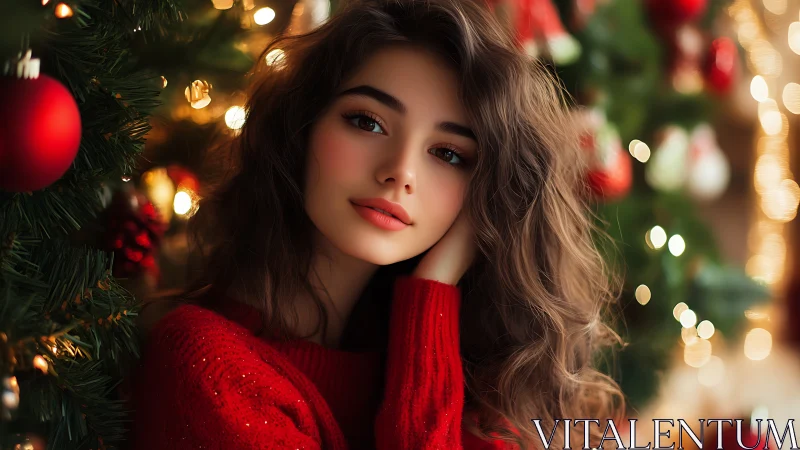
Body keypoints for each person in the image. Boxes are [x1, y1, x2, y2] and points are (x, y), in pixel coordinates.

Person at [131, 0, 626, 448]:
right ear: (303, 130)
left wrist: (431, 293)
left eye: (448, 154)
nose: (401, 172)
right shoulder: (206, 364)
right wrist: (431, 293)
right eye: (367, 121)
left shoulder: (455, 383)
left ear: (481, 196)